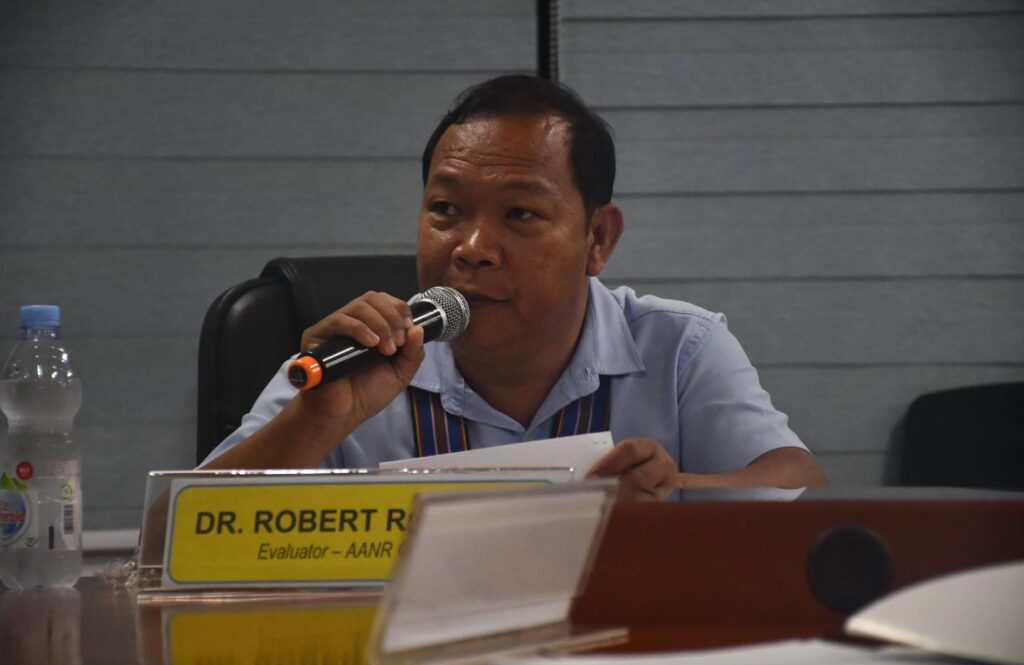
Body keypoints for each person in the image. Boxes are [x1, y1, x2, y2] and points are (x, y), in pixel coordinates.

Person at [202, 75, 827, 499]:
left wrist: (680, 488)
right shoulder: (358, 360)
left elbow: (800, 485)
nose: (471, 248)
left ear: (598, 239)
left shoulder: (678, 347)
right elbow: (168, 539)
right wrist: (313, 424)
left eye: (520, 214)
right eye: (446, 210)